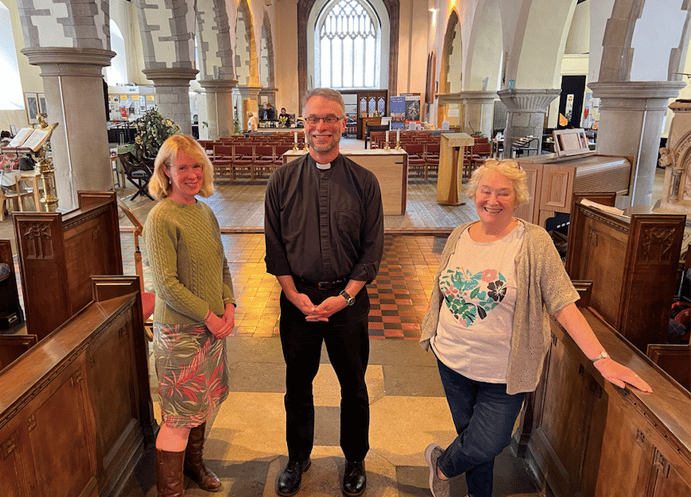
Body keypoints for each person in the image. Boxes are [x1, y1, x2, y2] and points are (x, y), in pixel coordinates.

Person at [419, 159, 653, 497]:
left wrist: (602, 359)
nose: (493, 200)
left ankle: (442, 467)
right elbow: (443, 287)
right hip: (452, 361)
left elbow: (563, 304)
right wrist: (433, 321)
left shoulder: (534, 242)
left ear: (517, 198)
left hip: (504, 371)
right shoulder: (459, 234)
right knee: (471, 436)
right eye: (486, 191)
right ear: (475, 194)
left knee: (489, 442)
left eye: (504, 193)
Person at [264, 88, 384, 497]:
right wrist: (295, 296)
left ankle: (355, 459)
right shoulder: (281, 180)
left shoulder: (365, 182)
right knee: (297, 385)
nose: (322, 126)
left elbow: (372, 250)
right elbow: (275, 247)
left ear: (343, 123)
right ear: (303, 124)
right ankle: (298, 458)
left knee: (354, 386)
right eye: (314, 118)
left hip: (347, 304)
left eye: (330, 118)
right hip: (297, 302)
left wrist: (346, 297)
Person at [144, 134, 236, 496]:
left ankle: (194, 466)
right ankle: (171, 491)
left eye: (197, 166)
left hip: (210, 330)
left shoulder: (203, 210)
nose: (192, 174)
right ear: (166, 171)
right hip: (181, 334)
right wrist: (211, 318)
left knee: (203, 405)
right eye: (183, 167)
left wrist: (228, 305)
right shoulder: (161, 218)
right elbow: (166, 285)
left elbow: (222, 264)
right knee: (178, 417)